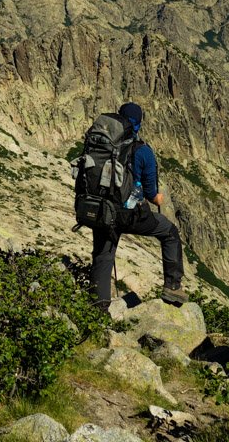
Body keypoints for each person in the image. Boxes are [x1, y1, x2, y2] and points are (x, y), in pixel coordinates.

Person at [91, 101, 188, 307]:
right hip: (128, 213)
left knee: (103, 254)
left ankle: (97, 309)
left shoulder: (101, 143)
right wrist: (157, 199)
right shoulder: (143, 151)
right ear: (139, 124)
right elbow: (151, 192)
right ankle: (172, 287)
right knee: (169, 232)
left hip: (100, 209)